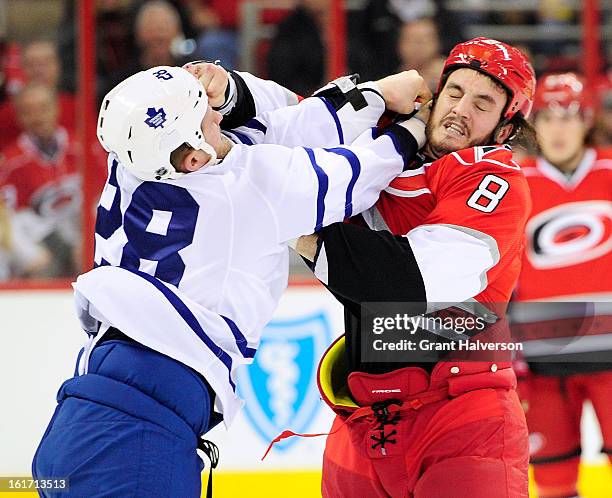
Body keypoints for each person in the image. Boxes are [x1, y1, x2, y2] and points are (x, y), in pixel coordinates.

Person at [31, 63, 431, 497]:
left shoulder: (136, 160)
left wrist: (377, 93)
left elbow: (277, 130)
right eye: (207, 115)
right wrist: (416, 127)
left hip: (85, 420)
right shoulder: (248, 188)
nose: (220, 116)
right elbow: (359, 172)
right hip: (134, 446)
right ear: (194, 157)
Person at [285, 37, 537, 497]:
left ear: (505, 128)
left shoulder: (495, 179)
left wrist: (288, 219)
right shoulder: (386, 149)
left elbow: (405, 286)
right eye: (455, 92)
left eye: (483, 103)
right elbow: (290, 130)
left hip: (462, 418)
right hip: (361, 420)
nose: (461, 109)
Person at [512, 73, 612, 498]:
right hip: (542, 362)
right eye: (547, 118)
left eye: (567, 117)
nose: (557, 129)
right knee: (552, 483)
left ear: (586, 120)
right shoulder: (515, 181)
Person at [0, 83, 105, 277]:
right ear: (19, 117)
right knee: (13, 222)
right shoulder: (10, 162)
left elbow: (105, 198)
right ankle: (38, 279)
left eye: (43, 108)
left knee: (99, 207)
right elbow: (11, 217)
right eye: (28, 111)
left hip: (80, 232)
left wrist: (87, 242)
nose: (37, 117)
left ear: (56, 108)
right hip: (42, 240)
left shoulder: (83, 148)